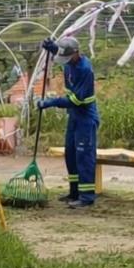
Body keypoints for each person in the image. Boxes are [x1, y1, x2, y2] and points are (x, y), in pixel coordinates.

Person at [38, 35, 99, 208]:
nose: (63, 61)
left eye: (66, 57)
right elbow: (62, 52)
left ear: (76, 53)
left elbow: (76, 100)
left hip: (85, 118)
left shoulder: (85, 70)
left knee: (84, 157)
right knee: (71, 155)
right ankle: (74, 192)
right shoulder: (69, 60)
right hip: (73, 117)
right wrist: (52, 48)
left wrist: (51, 102)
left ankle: (86, 197)